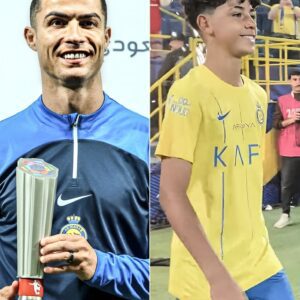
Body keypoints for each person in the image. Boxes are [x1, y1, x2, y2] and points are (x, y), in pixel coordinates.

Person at [0, 0, 149, 299]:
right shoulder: (5, 141)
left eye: (87, 23)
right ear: (32, 37)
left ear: (106, 37)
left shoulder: (143, 138)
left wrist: (101, 266)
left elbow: (171, 268)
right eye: (57, 22)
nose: (75, 35)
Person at [155, 0, 294, 299]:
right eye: (236, 13)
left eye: (251, 14)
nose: (250, 22)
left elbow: (249, 172)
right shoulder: (188, 92)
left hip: (261, 263)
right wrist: (217, 278)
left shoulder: (258, 95)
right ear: (205, 25)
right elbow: (170, 193)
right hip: (208, 276)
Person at [273, 70, 300, 228]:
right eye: (295, 79)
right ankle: (285, 214)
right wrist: (291, 120)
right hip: (289, 148)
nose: (298, 82)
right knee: (286, 184)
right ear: (290, 81)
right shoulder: (282, 100)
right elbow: (276, 124)